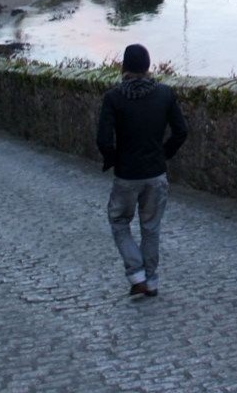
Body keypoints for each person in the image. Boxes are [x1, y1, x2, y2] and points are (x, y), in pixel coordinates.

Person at [97, 44, 188, 298]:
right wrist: (163, 154)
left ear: (124, 66)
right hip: (155, 173)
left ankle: (137, 274)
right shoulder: (164, 94)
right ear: (148, 67)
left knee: (118, 221)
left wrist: (114, 159)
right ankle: (151, 280)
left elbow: (104, 140)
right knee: (151, 227)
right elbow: (181, 131)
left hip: (127, 174)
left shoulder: (114, 98)